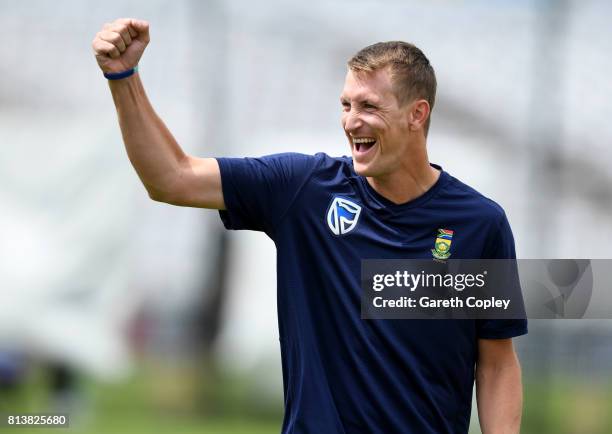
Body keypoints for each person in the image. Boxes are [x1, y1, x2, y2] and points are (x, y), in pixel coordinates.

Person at [93, 18, 527, 433]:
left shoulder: (478, 223)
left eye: (370, 107)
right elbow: (172, 177)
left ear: (417, 114)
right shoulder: (305, 189)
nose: (352, 121)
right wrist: (123, 77)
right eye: (346, 104)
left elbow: (495, 360)